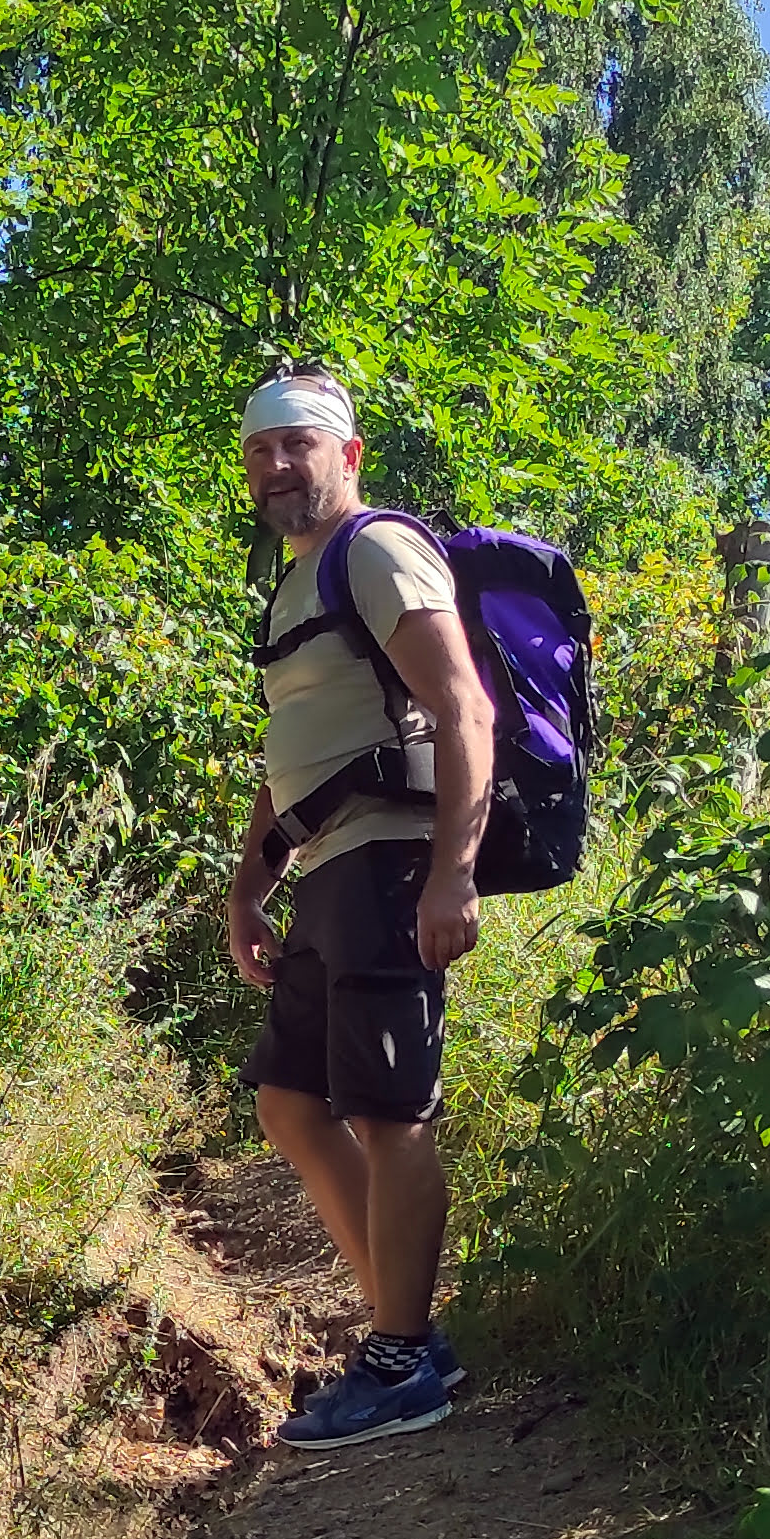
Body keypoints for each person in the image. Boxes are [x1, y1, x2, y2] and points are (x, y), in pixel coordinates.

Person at [226, 369, 491, 1448]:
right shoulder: (291, 584)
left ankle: (397, 1359)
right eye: (260, 450)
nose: (278, 465)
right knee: (289, 1102)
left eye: (299, 444)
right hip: (326, 864)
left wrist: (450, 871)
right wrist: (249, 882)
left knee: (388, 1113)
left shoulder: (374, 549)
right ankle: (407, 1328)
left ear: (348, 454)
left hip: (388, 862)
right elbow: (294, 750)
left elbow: (461, 704)